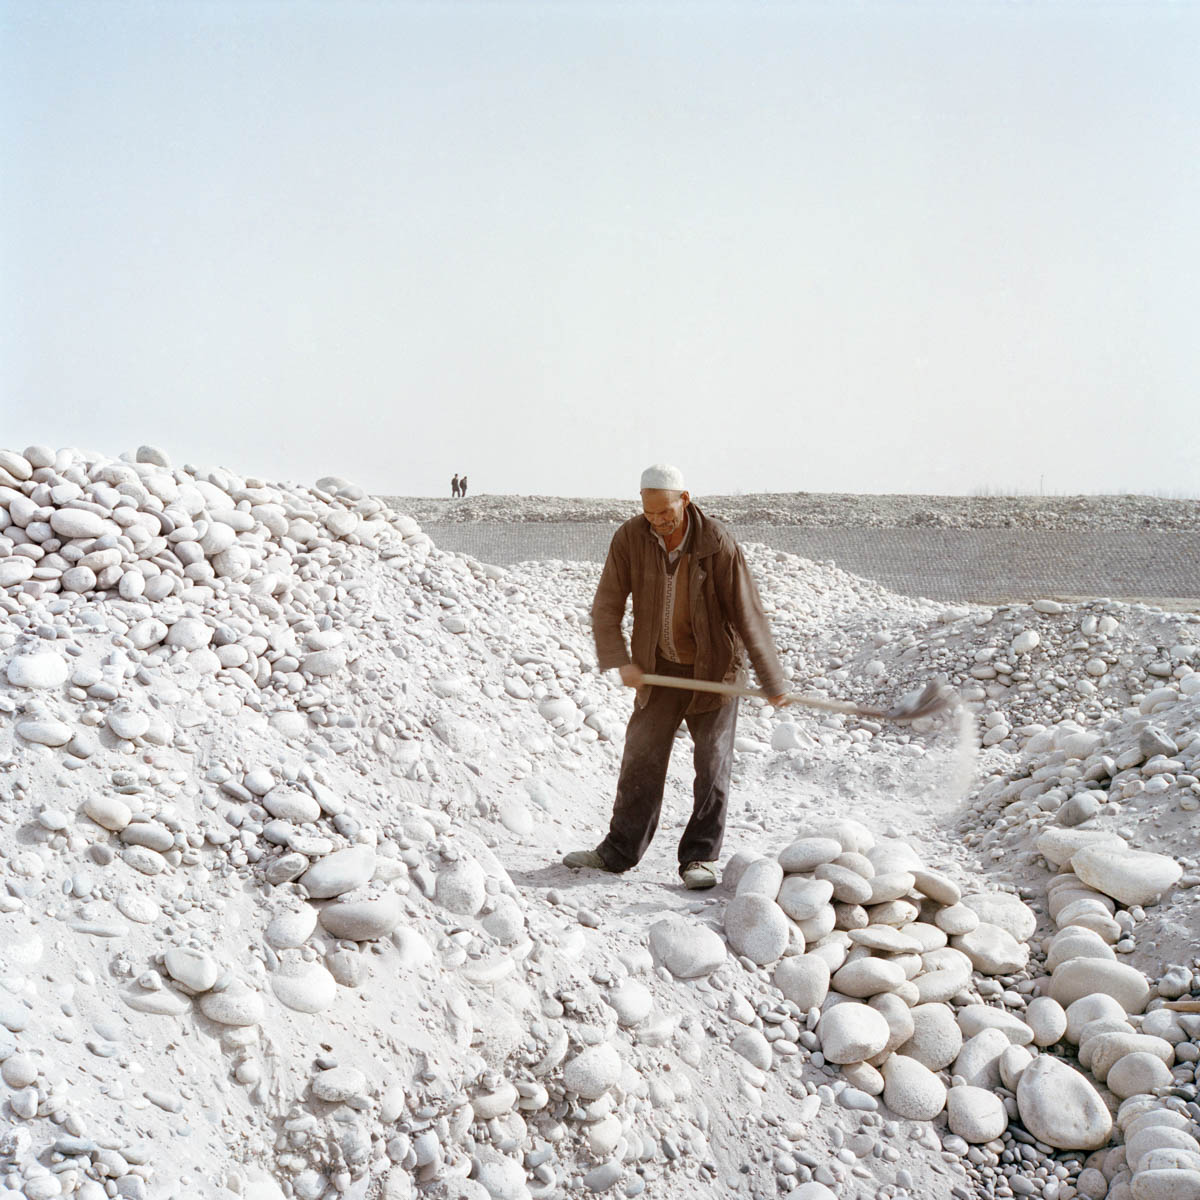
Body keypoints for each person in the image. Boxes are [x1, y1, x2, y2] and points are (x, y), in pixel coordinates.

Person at [563, 464, 787, 890]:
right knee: (640, 760)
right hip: (659, 671)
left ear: (685, 499)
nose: (659, 522)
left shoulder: (716, 542)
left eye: (665, 513)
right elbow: (607, 604)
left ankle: (699, 858)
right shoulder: (630, 537)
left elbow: (747, 611)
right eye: (650, 515)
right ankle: (617, 852)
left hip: (715, 673)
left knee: (712, 765)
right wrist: (621, 659)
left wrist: (771, 679)